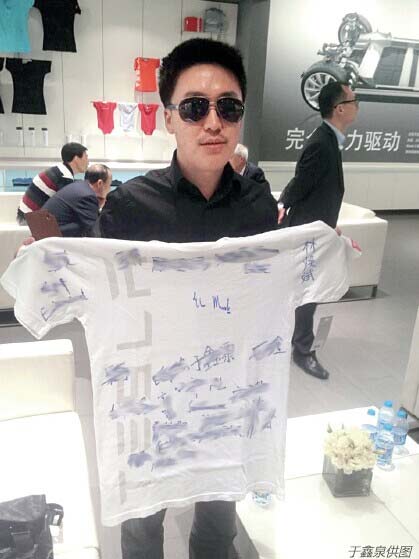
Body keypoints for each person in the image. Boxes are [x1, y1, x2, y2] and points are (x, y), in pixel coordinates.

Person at [99, 38, 278, 559]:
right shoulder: (129, 206)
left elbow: (267, 290)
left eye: (229, 107)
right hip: (150, 391)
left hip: (229, 385)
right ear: (168, 118)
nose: (213, 123)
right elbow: (107, 300)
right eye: (196, 107)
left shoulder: (257, 204)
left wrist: (315, 254)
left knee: (219, 517)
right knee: (142, 523)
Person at [278, 81, 359, 380]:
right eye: (353, 101)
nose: (357, 106)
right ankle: (302, 350)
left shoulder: (330, 140)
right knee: (308, 290)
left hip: (317, 227)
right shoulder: (321, 143)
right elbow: (301, 183)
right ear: (339, 109)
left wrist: (328, 223)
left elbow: (317, 189)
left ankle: (296, 341)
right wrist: (283, 203)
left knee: (307, 289)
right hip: (308, 233)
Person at [17, 142, 89, 224]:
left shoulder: (60, 170)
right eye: (86, 157)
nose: (88, 162)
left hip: (25, 216)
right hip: (30, 221)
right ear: (76, 158)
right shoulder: (64, 176)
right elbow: (69, 206)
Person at [42, 164, 112, 237]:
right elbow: (95, 231)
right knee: (87, 228)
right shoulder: (87, 196)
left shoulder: (79, 186)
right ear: (100, 183)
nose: (109, 189)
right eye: (109, 184)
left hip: (43, 230)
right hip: (51, 236)